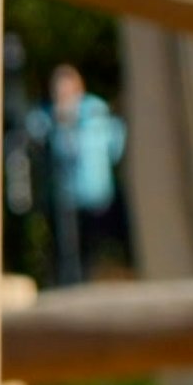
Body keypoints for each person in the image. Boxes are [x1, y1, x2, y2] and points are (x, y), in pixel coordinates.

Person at [24, 64, 127, 286]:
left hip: (96, 194)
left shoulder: (95, 111)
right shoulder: (48, 115)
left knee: (98, 250)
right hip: (64, 199)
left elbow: (115, 141)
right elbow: (33, 132)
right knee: (68, 253)